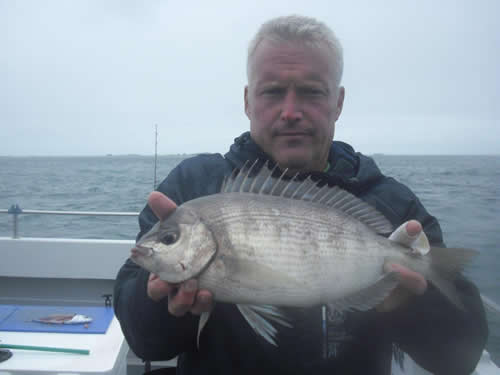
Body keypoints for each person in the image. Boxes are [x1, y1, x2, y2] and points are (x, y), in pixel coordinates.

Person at [114, 15, 488, 375]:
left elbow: (460, 358)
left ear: (338, 103)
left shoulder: (393, 207)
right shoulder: (191, 189)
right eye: (273, 92)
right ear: (247, 101)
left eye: (311, 92)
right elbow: (145, 342)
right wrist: (160, 305)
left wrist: (410, 304)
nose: (290, 112)